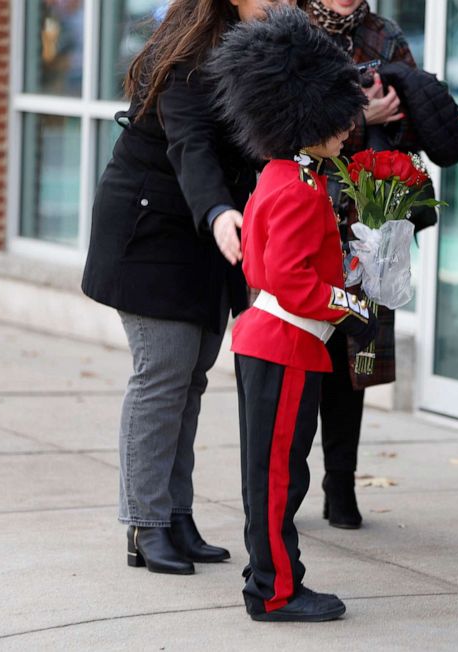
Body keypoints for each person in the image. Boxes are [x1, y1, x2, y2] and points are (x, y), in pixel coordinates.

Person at [81, 0, 288, 575]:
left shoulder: (267, 46)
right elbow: (190, 145)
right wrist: (221, 210)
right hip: (155, 231)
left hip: (210, 234)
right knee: (163, 376)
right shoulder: (190, 57)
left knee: (189, 377)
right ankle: (145, 525)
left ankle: (176, 514)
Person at [207, 7, 375, 621]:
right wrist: (354, 302)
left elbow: (262, 266)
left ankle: (269, 574)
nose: (347, 127)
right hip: (288, 342)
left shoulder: (276, 177)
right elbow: (293, 282)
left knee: (269, 474)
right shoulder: (302, 191)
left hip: (267, 338)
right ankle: (274, 591)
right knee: (280, 478)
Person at [299, 0, 458, 529]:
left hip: (371, 224)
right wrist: (360, 117)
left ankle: (341, 486)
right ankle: (281, 485)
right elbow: (283, 128)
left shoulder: (385, 34)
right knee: (300, 357)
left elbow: (421, 126)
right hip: (304, 218)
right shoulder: (292, 29)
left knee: (356, 364)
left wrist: (399, 112)